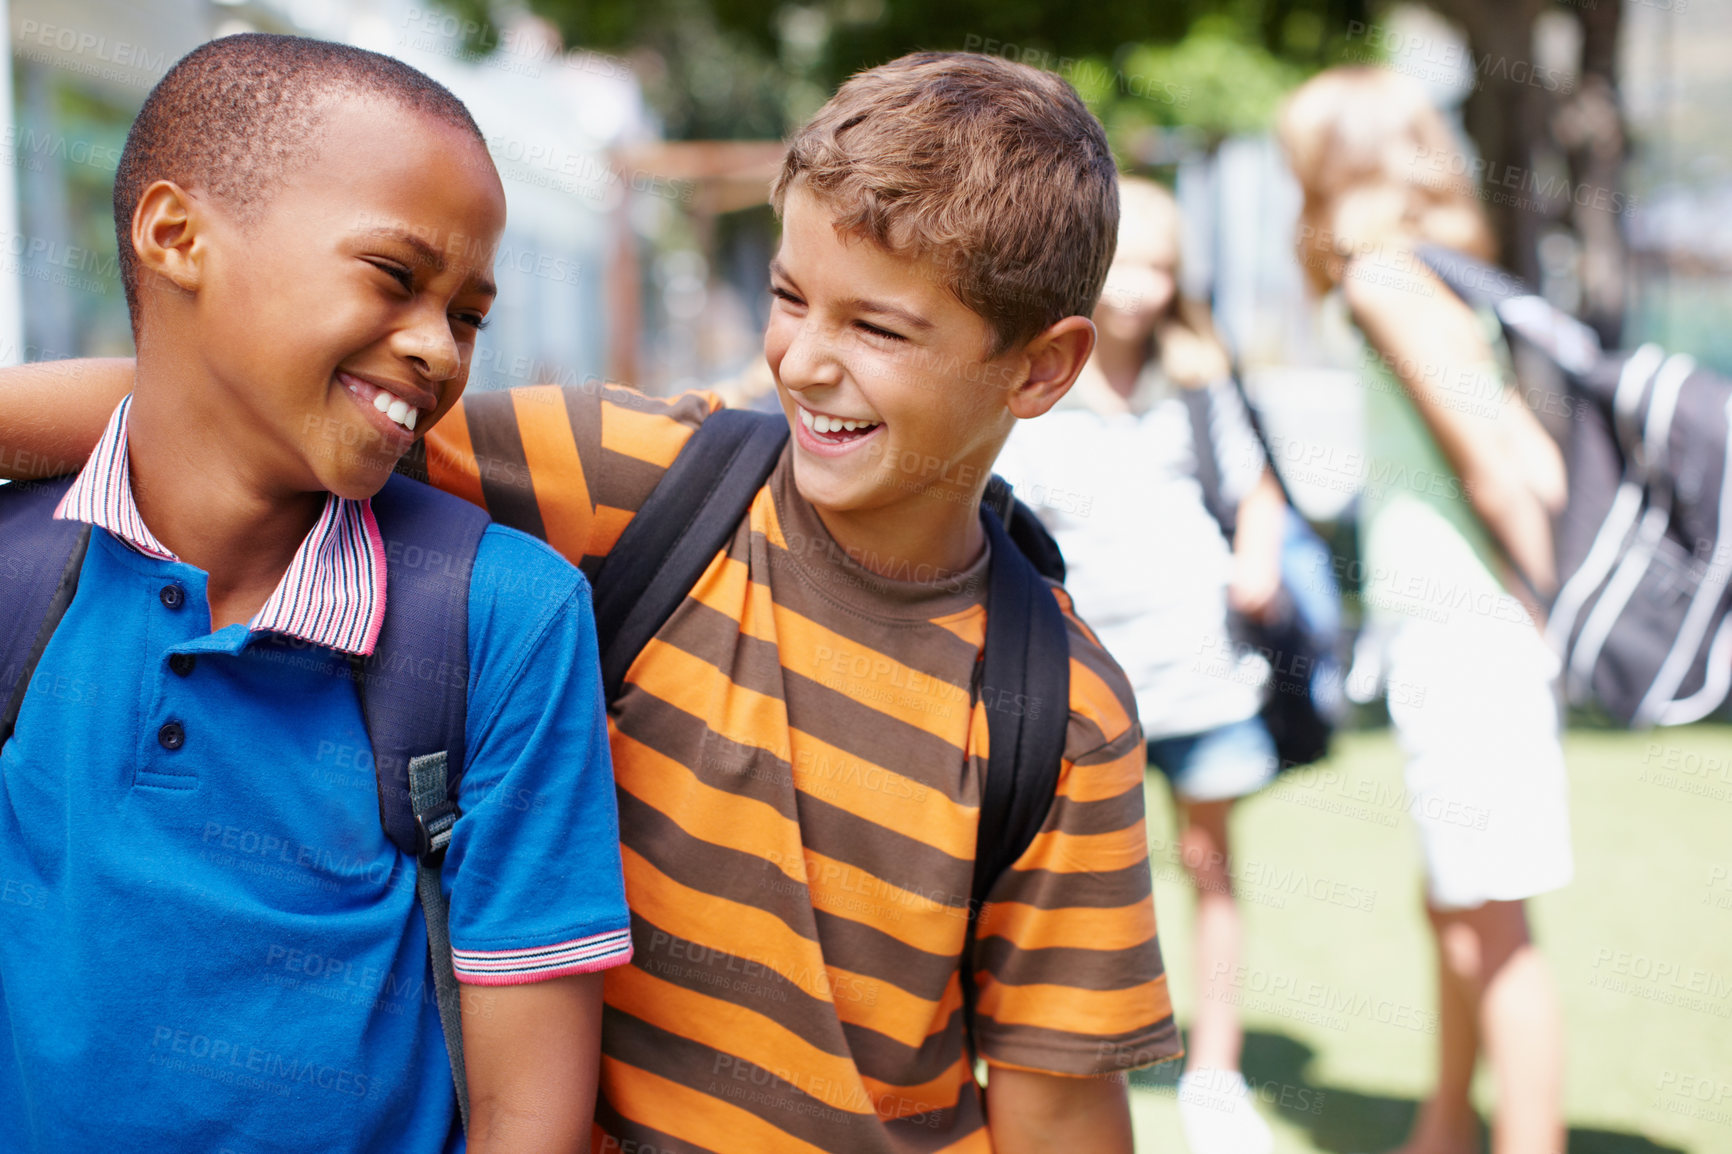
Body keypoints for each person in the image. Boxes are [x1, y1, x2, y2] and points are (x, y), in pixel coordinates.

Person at [0, 51, 1180, 1152]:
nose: (804, 361)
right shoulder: (630, 479)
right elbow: (241, 401)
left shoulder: (1058, 708)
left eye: (876, 327)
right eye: (789, 295)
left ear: (1041, 366)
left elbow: (1061, 1100)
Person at [0, 35, 631, 1153]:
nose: (438, 348)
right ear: (175, 235)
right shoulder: (23, 568)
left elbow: (531, 1111)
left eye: (469, 314)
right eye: (393, 276)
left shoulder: (500, 616)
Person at [1278, 67, 1573, 1154]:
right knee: (1458, 904)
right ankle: (1444, 1124)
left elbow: (1495, 468)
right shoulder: (1427, 276)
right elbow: (1522, 446)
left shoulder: (1386, 283)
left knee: (1488, 924)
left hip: (1466, 628)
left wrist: (1540, 609)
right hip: (1461, 620)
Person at [994, 175, 1287, 1154]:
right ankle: (1063, 1065)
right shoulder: (1033, 383)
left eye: (1163, 265)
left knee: (1209, 869)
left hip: (1199, 673)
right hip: (1078, 685)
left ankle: (1214, 1070)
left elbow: (1257, 489)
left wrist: (1254, 562)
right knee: (1061, 884)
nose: (1142, 286)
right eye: (1129, 264)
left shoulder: (1200, 379)